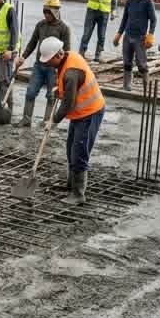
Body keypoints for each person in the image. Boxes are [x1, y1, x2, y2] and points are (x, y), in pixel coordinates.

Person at [39, 36, 105, 205]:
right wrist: (59, 89)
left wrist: (53, 121)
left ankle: (78, 193)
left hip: (90, 113)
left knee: (79, 152)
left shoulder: (70, 72)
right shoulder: (67, 58)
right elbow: (69, 89)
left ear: (57, 55)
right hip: (80, 114)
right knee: (71, 149)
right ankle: (71, 186)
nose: (47, 64)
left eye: (48, 61)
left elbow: (68, 104)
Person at [14, 0, 71, 127]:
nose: (46, 14)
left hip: (54, 68)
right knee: (30, 92)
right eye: (44, 11)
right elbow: (33, 42)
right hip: (39, 66)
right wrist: (23, 56)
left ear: (55, 12)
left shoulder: (63, 28)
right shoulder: (41, 25)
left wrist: (62, 71)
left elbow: (67, 51)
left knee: (52, 96)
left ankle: (47, 121)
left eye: (48, 12)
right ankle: (26, 119)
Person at [113, 0, 157, 92]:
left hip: (140, 38)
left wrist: (150, 34)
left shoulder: (148, 2)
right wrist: (119, 33)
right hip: (128, 36)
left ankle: (146, 88)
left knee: (141, 64)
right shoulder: (129, 2)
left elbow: (153, 19)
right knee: (127, 62)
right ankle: (126, 86)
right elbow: (124, 19)